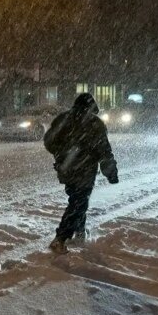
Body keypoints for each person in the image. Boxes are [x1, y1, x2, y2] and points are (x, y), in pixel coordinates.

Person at [43, 93, 118, 254]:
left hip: (66, 168)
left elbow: (49, 140)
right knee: (78, 203)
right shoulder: (94, 123)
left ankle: (79, 233)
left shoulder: (64, 119)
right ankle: (61, 239)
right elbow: (104, 150)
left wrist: (61, 154)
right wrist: (110, 172)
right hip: (85, 170)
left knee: (77, 199)